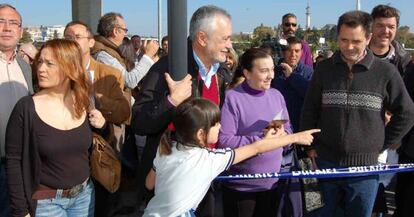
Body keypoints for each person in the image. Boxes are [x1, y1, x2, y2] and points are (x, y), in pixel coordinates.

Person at [300, 11, 414, 217]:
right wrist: (310, 148)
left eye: (356, 41)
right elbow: (309, 110)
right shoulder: (323, 69)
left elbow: (407, 113)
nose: (349, 46)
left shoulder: (386, 72)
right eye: (344, 40)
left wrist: (382, 143)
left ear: (368, 38)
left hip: (366, 169)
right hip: (324, 162)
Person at [132, 5, 233, 216]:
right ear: (202, 38)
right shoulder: (167, 69)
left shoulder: (221, 74)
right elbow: (139, 121)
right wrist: (171, 101)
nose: (229, 46)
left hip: (206, 181)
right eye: (225, 39)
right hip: (172, 188)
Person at [143, 97, 320, 217]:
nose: (220, 127)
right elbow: (257, 148)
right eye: (215, 124)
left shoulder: (166, 148)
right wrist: (295, 137)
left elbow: (149, 183)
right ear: (200, 134)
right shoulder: (208, 160)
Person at [6, 39, 105, 217]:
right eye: (40, 62)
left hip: (85, 196)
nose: (41, 69)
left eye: (50, 64)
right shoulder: (26, 108)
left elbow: (89, 144)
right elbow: (14, 162)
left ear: (71, 68)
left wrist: (102, 125)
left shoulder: (84, 101)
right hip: (46, 203)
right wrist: (21, 211)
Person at [63, 21, 131, 217]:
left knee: (101, 206)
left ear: (91, 42)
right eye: (68, 37)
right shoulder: (57, 71)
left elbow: (124, 112)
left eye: (77, 37)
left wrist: (98, 100)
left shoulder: (110, 74)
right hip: (65, 156)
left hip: (99, 154)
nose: (72, 42)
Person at [218, 47, 293, 217]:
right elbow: (225, 141)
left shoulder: (276, 96)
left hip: (272, 183)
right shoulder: (232, 98)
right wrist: (260, 141)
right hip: (241, 187)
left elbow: (288, 130)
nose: (271, 76)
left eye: (272, 69)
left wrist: (283, 135)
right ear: (247, 73)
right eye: (264, 71)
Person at [0, 4, 34, 217]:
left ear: (21, 31)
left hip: (18, 164)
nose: (7, 28)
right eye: (1, 22)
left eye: (13, 23)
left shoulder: (25, 67)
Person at [91, 12, 159, 90]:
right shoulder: (102, 55)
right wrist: (148, 56)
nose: (125, 34)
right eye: (124, 30)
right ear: (116, 31)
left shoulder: (109, 51)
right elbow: (129, 81)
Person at [272, 36, 313, 132]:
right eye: (289, 50)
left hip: (300, 125)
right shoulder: (274, 72)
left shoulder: (309, 72)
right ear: (283, 52)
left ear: (301, 52)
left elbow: (310, 94)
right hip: (279, 125)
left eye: (297, 51)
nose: (293, 54)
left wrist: (292, 76)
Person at [369, 5, 411, 78]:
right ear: (371, 27)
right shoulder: (354, 57)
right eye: (380, 26)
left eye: (391, 27)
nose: (385, 31)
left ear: (396, 29)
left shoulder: (405, 64)